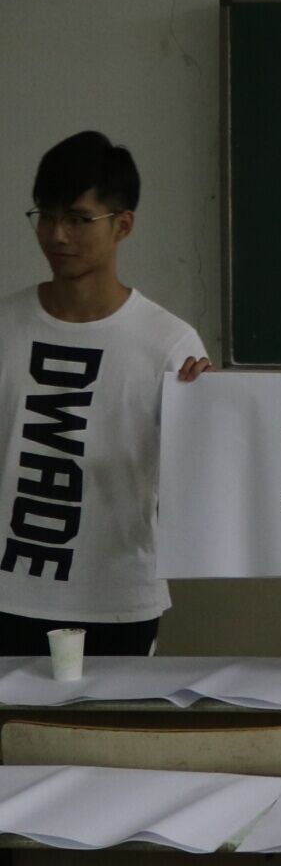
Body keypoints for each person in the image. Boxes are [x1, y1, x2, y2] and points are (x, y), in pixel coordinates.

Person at [0, 132, 210, 656]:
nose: (57, 234)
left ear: (123, 225)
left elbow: (200, 483)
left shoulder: (169, 343)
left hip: (115, 599)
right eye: (46, 215)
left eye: (78, 218)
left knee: (116, 715)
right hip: (8, 593)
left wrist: (209, 411)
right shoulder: (5, 325)